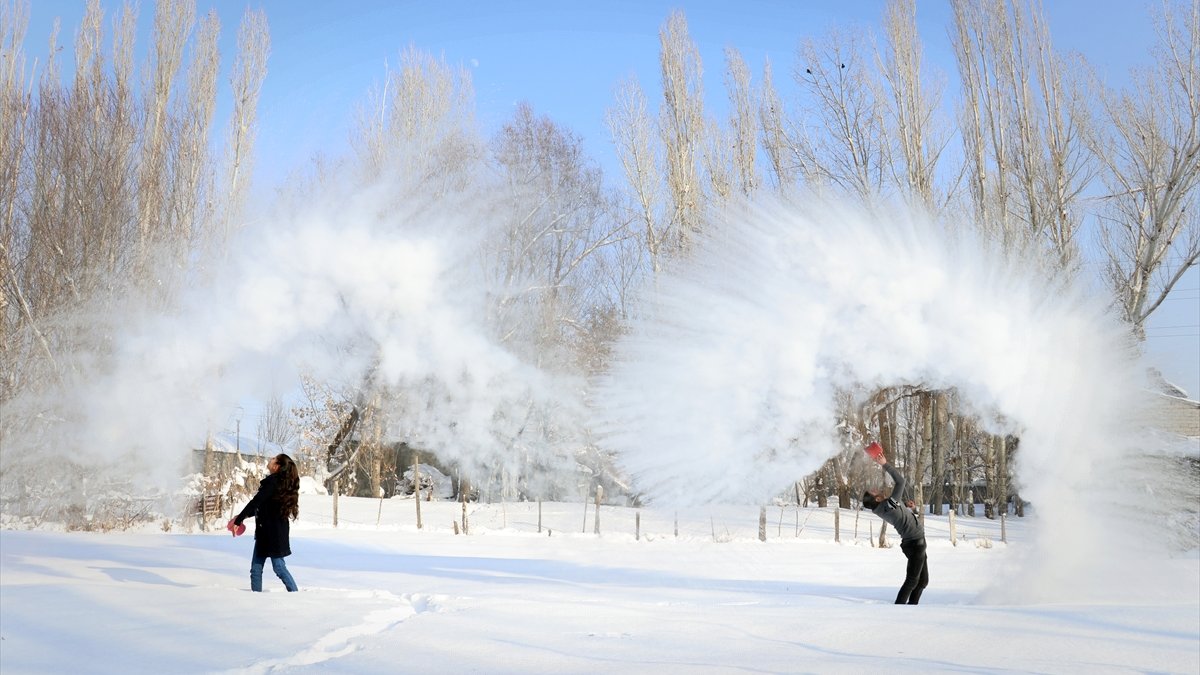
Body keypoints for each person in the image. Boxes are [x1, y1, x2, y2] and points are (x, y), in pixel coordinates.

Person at [862, 442, 928, 605]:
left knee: (922, 582)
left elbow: (899, 514)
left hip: (917, 542)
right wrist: (884, 464)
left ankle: (912, 608)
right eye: (874, 491)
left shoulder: (887, 506)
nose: (877, 489)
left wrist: (908, 508)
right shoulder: (887, 506)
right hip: (914, 544)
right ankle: (899, 609)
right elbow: (901, 482)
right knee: (913, 581)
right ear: (876, 499)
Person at [229, 453, 300, 592]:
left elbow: (256, 502)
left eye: (273, 459)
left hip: (273, 533)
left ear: (276, 466)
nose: (270, 459)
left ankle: (295, 594)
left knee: (278, 567)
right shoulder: (276, 482)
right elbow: (262, 506)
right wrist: (242, 516)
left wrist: (239, 520)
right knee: (256, 569)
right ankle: (257, 600)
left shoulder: (273, 482)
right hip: (267, 532)